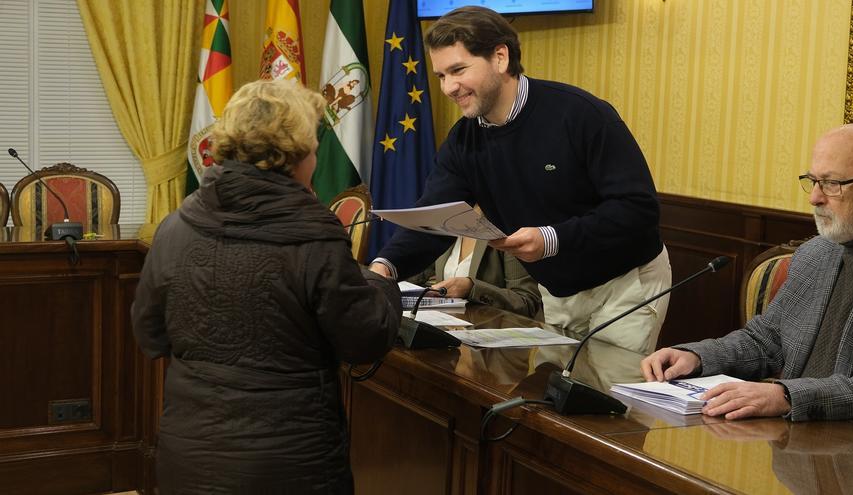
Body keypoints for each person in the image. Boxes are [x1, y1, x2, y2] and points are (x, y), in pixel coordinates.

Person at [130, 79, 401, 494]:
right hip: (292, 465)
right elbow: (364, 339)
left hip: (191, 457)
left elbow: (149, 333)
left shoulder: (175, 226)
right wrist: (382, 284)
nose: (316, 154)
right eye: (313, 144)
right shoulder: (314, 235)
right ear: (295, 154)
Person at [371, 6, 672, 356]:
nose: (448, 87)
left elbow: (639, 210)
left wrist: (552, 238)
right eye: (440, 75)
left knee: (607, 400)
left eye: (458, 70)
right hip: (557, 290)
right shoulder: (462, 140)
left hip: (626, 283)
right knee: (561, 399)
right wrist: (384, 268)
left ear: (500, 57)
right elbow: (435, 218)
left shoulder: (580, 114)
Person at [641, 122, 853, 422]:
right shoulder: (816, 254)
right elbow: (766, 340)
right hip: (794, 443)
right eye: (812, 181)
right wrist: (697, 358)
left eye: (832, 184)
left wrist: (787, 395)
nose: (814, 198)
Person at [409, 235, 542, 318]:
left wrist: (472, 288)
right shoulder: (448, 223)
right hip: (445, 330)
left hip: (492, 347)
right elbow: (418, 270)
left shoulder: (508, 230)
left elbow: (527, 303)